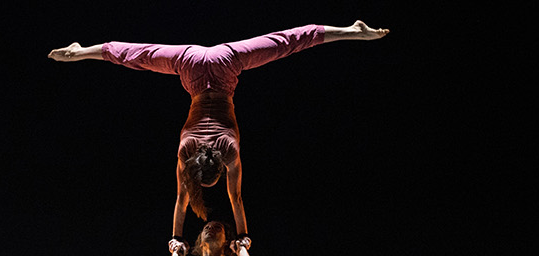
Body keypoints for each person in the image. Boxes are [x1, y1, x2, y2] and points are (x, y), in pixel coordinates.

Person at [49, 21, 389, 242]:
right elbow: (182, 200)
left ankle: (81, 51)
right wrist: (176, 238)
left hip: (225, 64)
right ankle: (82, 52)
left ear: (216, 167)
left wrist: (243, 235)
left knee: (283, 44)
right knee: (136, 55)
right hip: (192, 64)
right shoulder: (187, 151)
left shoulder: (229, 151)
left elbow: (236, 198)